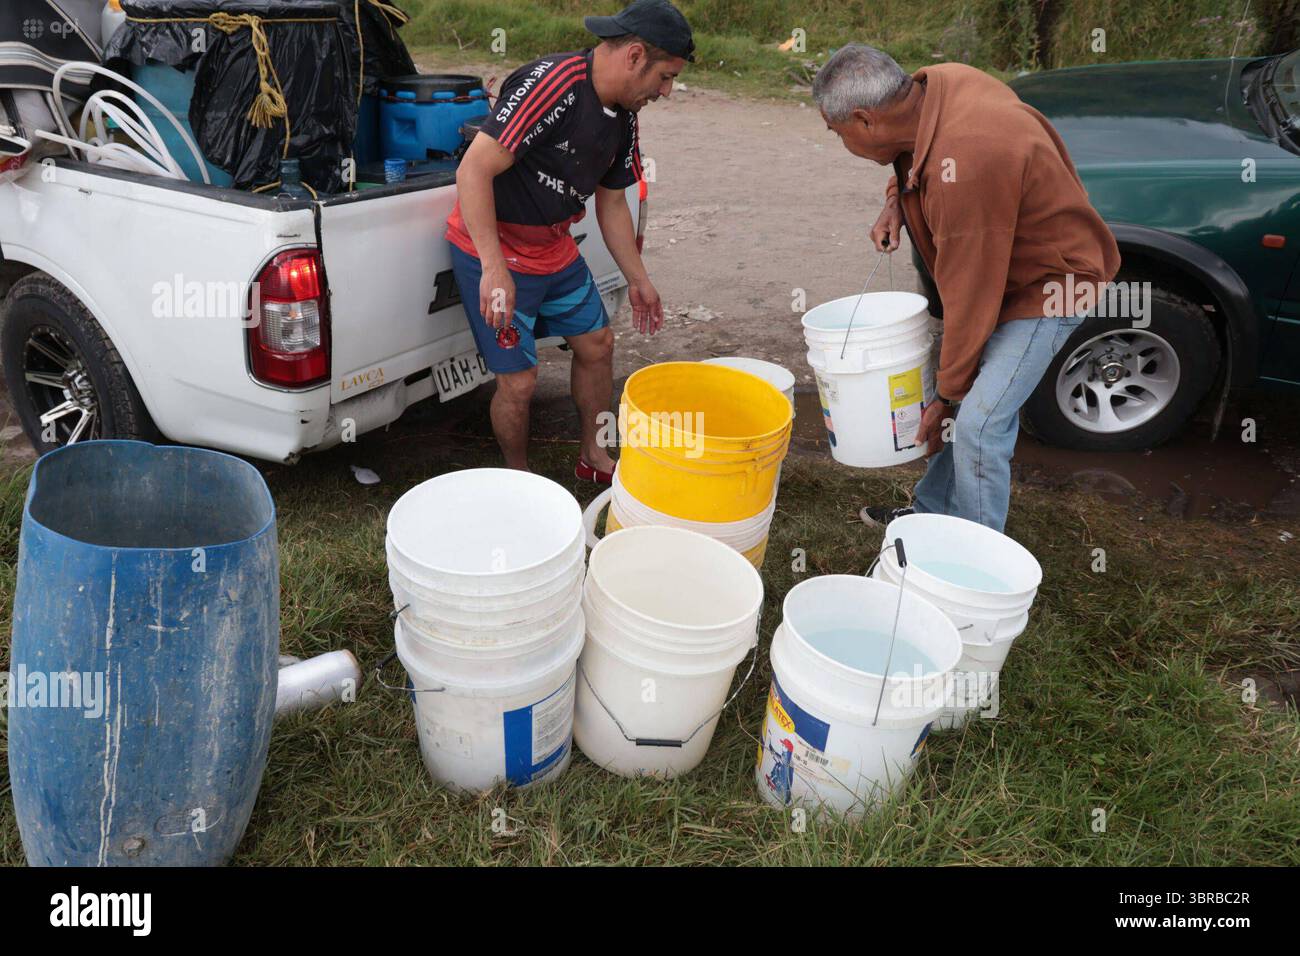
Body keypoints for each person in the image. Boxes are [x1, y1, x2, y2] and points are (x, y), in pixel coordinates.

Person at [812, 44, 1121, 533]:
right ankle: (932, 516)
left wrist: (945, 397)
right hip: (1003, 268)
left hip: (1052, 285)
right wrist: (895, 201)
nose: (840, 142)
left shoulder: (968, 162)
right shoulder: (938, 84)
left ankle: (974, 565)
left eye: (838, 132)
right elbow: (912, 155)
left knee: (978, 424)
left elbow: (970, 297)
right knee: (962, 399)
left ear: (865, 120)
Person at [446, 0, 694, 482]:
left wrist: (639, 280)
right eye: (664, 77)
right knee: (519, 382)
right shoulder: (552, 84)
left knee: (598, 344)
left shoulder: (624, 114)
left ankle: (594, 458)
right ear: (635, 55)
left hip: (553, 247)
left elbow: (614, 203)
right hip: (494, 246)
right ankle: (519, 480)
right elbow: (472, 170)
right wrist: (494, 269)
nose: (666, 92)